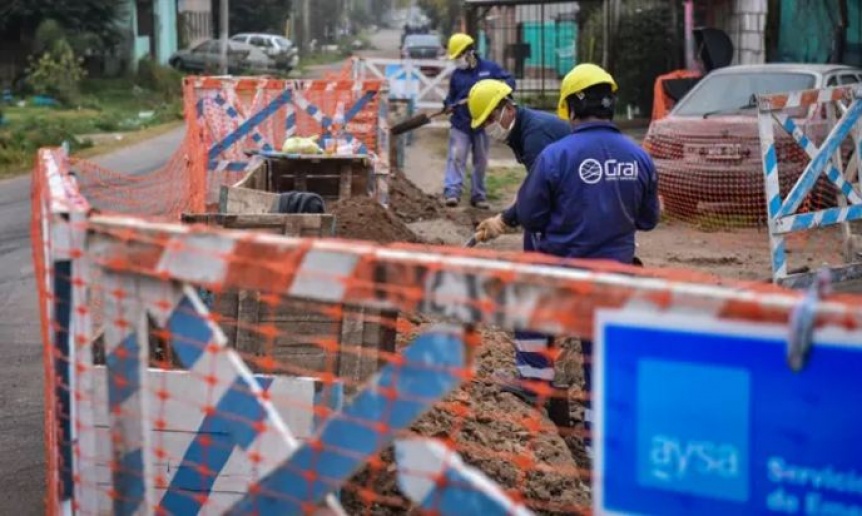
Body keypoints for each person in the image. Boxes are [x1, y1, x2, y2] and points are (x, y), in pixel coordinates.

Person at [516, 63, 660, 456]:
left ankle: (534, 397)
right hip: (615, 282)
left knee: (526, 308)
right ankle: (602, 450)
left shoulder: (554, 156)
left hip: (560, 281)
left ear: (572, 108)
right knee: (602, 364)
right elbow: (648, 220)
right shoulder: (639, 157)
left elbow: (529, 216)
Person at [442, 33, 515, 209]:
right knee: (457, 157)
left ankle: (478, 195)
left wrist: (497, 90)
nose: (458, 60)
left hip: (483, 124)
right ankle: (452, 191)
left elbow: (509, 81)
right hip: (460, 123)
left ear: (470, 52)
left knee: (480, 161)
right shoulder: (457, 75)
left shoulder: (490, 69)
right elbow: (450, 98)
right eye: (456, 57)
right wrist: (448, 105)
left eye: (460, 56)